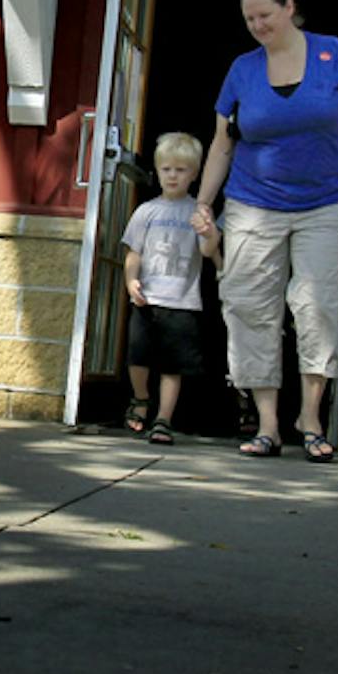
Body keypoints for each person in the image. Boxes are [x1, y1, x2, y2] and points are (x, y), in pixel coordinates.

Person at [192, 0, 338, 463]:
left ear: (290, 6)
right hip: (254, 203)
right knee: (250, 307)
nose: (257, 25)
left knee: (319, 305)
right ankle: (269, 425)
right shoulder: (242, 70)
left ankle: (310, 419)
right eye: (249, 18)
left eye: (265, 15)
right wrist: (204, 202)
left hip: (327, 203)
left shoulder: (332, 54)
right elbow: (222, 143)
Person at [120, 131, 208, 446]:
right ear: (157, 171)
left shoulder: (198, 212)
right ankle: (141, 398)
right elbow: (134, 253)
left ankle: (164, 418)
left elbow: (209, 251)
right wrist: (131, 281)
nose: (173, 175)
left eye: (181, 170)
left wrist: (210, 232)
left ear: (195, 174)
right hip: (147, 297)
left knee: (174, 363)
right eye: (167, 169)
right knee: (138, 355)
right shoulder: (147, 211)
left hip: (182, 299)